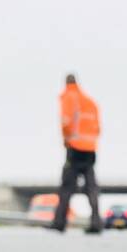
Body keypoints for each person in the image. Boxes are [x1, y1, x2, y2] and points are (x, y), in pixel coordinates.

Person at [49, 74, 101, 232]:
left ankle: (59, 223)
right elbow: (98, 128)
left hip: (75, 148)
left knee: (66, 187)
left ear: (66, 83)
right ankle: (96, 223)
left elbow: (66, 121)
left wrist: (66, 139)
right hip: (90, 149)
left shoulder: (69, 97)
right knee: (91, 187)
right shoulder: (90, 102)